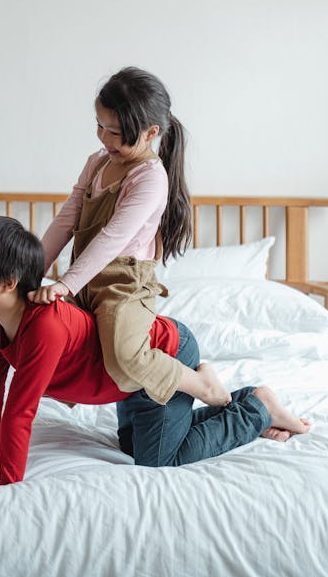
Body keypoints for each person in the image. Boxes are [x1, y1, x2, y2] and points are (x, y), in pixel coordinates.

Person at [0, 216, 310, 487]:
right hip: (128, 379)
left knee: (157, 462)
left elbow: (20, 408)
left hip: (162, 355)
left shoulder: (45, 324)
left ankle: (257, 408)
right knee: (131, 446)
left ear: (8, 282)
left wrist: (8, 481)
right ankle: (245, 402)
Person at [29, 66, 226, 407]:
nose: (106, 140)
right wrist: (34, 268)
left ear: (151, 133)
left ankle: (202, 385)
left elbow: (113, 238)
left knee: (124, 359)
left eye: (117, 133)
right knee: (41, 328)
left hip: (125, 284)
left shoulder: (150, 178)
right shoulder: (97, 162)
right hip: (85, 277)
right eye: (100, 127)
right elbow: (67, 219)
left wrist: (66, 284)